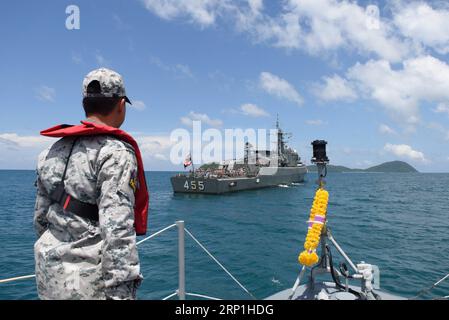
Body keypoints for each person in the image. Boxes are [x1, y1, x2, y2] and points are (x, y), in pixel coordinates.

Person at [34, 68, 149, 300]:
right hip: (88, 285)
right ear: (121, 105)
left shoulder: (49, 152)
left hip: (49, 276)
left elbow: (40, 219)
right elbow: (117, 232)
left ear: (85, 105)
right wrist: (122, 295)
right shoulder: (115, 153)